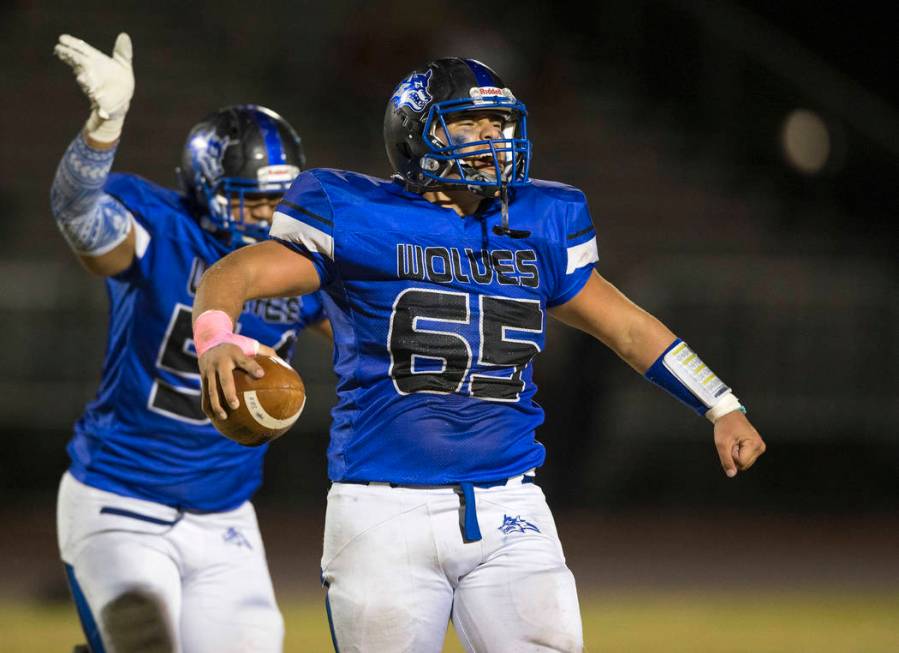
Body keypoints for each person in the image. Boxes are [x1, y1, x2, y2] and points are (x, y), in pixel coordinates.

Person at [193, 58, 766, 652]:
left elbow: (626, 327)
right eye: (472, 123)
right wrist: (215, 338)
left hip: (510, 502)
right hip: (383, 509)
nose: (495, 138)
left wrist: (719, 402)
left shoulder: (537, 222)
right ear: (418, 135)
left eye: (500, 123)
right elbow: (234, 272)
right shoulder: (359, 214)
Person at [52, 33, 329, 653]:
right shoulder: (162, 228)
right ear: (209, 190)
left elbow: (374, 329)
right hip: (120, 498)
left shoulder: (294, 262)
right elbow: (78, 214)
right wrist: (104, 124)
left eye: (278, 201)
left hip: (226, 514)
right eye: (253, 202)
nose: (268, 217)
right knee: (144, 644)